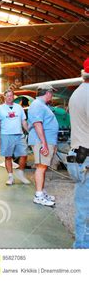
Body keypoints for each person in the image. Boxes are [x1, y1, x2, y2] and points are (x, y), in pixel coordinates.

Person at [68, 58, 89, 248]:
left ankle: (82, 244)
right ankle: (83, 246)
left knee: (83, 204)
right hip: (87, 158)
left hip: (79, 156)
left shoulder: (77, 93)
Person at [28, 84, 59, 207]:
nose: (52, 95)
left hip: (45, 140)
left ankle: (41, 191)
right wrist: (44, 144)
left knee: (43, 167)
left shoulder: (42, 105)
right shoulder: (37, 105)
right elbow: (37, 124)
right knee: (41, 167)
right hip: (40, 141)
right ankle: (38, 196)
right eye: (52, 92)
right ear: (47, 93)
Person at [0, 89, 31, 185]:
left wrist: (29, 132)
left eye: (11, 95)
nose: (9, 97)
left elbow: (23, 121)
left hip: (19, 134)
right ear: (4, 97)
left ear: (13, 96)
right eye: (7, 96)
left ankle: (21, 173)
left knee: (24, 154)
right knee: (8, 156)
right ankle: (10, 177)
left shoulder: (19, 108)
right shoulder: (0, 108)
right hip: (6, 135)